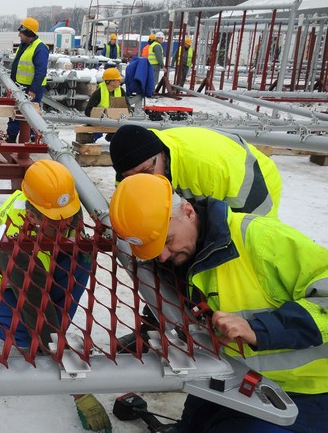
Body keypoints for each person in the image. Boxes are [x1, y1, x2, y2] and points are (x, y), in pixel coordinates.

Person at [109, 173, 327, 433]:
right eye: (153, 249)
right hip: (231, 375)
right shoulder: (177, 257)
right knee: (194, 424)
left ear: (189, 212)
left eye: (167, 240)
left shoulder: (260, 239)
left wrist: (257, 328)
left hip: (306, 391)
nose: (164, 256)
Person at [0, 159, 111, 432]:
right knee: (29, 334)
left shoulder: (59, 203)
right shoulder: (13, 240)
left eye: (68, 213)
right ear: (32, 216)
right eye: (57, 220)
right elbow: (37, 307)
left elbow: (70, 225)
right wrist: (78, 390)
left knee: (80, 260)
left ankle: (55, 334)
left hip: (41, 266)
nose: (67, 220)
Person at [109, 125, 282, 217]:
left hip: (253, 179)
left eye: (147, 171)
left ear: (162, 154)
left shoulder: (209, 170)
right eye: (132, 178)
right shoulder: (131, 167)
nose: (142, 182)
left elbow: (258, 227)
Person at [6, 17, 48, 143]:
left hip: (31, 88)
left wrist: (33, 90)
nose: (19, 34)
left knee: (30, 115)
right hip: (18, 85)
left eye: (21, 32)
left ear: (29, 33)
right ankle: (11, 137)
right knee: (15, 113)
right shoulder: (23, 46)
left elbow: (41, 71)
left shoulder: (40, 48)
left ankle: (29, 139)